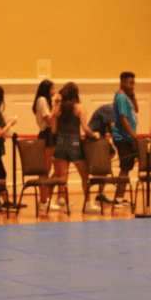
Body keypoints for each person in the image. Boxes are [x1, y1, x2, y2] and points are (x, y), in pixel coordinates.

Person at [50, 82, 101, 212]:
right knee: (84, 176)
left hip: (61, 143)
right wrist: (94, 134)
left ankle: (64, 204)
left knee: (63, 177)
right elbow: (85, 128)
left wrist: (55, 104)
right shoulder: (79, 108)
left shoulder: (58, 109)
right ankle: (88, 204)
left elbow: (54, 130)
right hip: (74, 144)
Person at [111, 72, 137, 206]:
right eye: (130, 83)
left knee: (126, 168)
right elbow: (123, 119)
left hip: (127, 138)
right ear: (122, 82)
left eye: (133, 83)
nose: (132, 86)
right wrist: (134, 137)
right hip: (122, 137)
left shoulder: (127, 97)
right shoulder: (120, 97)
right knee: (124, 167)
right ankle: (118, 199)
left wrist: (132, 95)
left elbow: (136, 109)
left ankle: (120, 198)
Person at [33, 80, 57, 209]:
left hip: (49, 135)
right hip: (45, 134)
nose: (54, 92)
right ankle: (43, 200)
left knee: (50, 169)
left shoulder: (46, 100)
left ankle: (46, 198)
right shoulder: (42, 99)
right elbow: (48, 118)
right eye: (52, 89)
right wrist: (55, 107)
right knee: (45, 169)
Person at [87, 103, 116, 205]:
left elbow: (112, 131)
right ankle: (98, 178)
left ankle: (100, 193)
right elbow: (113, 129)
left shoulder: (114, 111)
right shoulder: (111, 109)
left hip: (101, 138)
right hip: (94, 138)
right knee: (103, 166)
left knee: (110, 155)